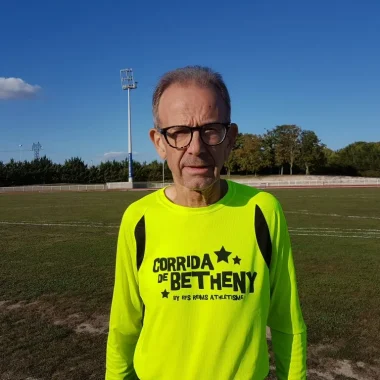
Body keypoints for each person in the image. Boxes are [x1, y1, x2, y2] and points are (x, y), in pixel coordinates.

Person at [106, 66, 307, 380]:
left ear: (231, 139)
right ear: (158, 142)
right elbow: (123, 327)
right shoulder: (138, 218)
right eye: (179, 133)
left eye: (211, 130)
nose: (196, 148)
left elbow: (286, 321)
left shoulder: (262, 211)